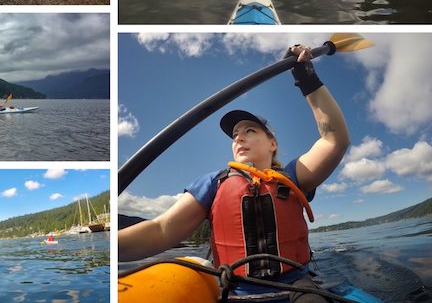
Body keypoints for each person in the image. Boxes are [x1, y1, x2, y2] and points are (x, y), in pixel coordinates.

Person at [118, 44, 350, 301]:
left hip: (298, 289)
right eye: (235, 134)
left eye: (250, 130)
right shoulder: (212, 184)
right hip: (236, 293)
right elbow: (161, 230)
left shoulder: (294, 175)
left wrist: (307, 80)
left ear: (272, 143)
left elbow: (334, 139)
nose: (239, 137)